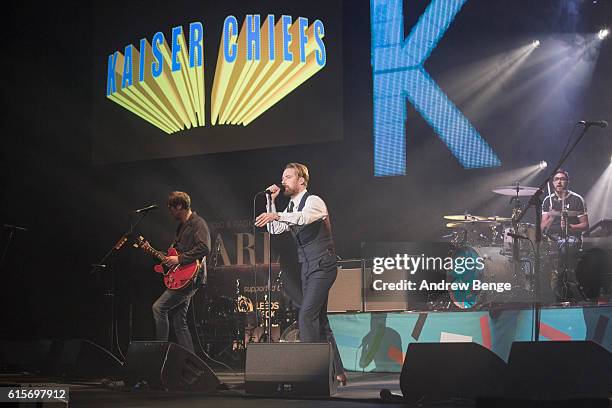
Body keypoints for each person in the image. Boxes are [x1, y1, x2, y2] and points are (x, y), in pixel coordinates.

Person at [255, 163, 347, 385]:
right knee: (319, 319)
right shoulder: (288, 207)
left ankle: (312, 374)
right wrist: (271, 203)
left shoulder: (314, 201)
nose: (283, 181)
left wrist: (276, 215)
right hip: (307, 267)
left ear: (301, 181)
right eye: (282, 177)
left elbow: (303, 218)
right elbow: (274, 229)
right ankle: (338, 371)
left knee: (306, 315)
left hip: (323, 266)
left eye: (288, 177)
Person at [151, 191, 211, 352]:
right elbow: (175, 254)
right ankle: (191, 362)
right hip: (183, 278)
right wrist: (157, 254)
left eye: (171, 208)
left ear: (179, 206)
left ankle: (159, 351)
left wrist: (179, 259)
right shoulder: (181, 228)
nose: (170, 212)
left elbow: (204, 247)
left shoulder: (198, 223)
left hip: (192, 278)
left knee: (158, 308)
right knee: (179, 321)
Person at [541, 169, 589, 301]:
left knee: (564, 246)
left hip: (572, 237)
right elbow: (543, 228)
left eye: (562, 179)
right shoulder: (548, 200)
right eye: (556, 179)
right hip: (552, 238)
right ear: (552, 183)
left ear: (567, 182)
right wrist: (551, 216)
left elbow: (585, 225)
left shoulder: (577, 199)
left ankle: (559, 285)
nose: (559, 181)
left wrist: (570, 227)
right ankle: (549, 287)